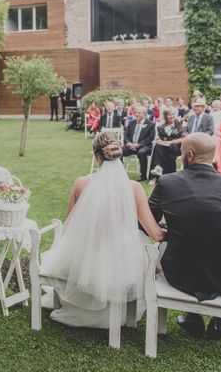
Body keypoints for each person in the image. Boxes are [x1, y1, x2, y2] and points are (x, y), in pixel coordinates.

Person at [40, 132, 166, 329]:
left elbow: (69, 228)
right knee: (138, 246)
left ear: (96, 156)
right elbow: (155, 234)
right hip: (121, 260)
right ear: (119, 154)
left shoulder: (81, 183)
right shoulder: (133, 188)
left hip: (85, 255)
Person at [149, 133, 221, 340]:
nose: (180, 158)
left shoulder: (167, 182)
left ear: (189, 154)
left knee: (196, 252)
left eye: (181, 155)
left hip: (180, 274)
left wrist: (174, 232)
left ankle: (193, 317)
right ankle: (220, 323)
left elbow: (147, 222)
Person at [149, 108, 185, 183]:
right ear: (165, 116)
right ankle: (157, 168)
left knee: (158, 148)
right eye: (169, 115)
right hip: (163, 148)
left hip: (176, 148)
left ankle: (156, 173)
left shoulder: (179, 126)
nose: (171, 116)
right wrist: (163, 143)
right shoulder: (161, 127)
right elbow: (158, 140)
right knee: (158, 146)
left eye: (173, 114)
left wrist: (170, 142)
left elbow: (183, 139)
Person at [123, 105, 155, 181]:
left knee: (141, 152)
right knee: (119, 151)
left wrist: (138, 145)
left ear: (144, 114)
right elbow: (126, 136)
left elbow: (150, 138)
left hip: (144, 146)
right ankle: (120, 172)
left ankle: (143, 175)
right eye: (136, 112)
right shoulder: (131, 123)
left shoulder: (150, 124)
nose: (136, 114)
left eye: (139, 113)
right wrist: (128, 143)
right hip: (131, 146)